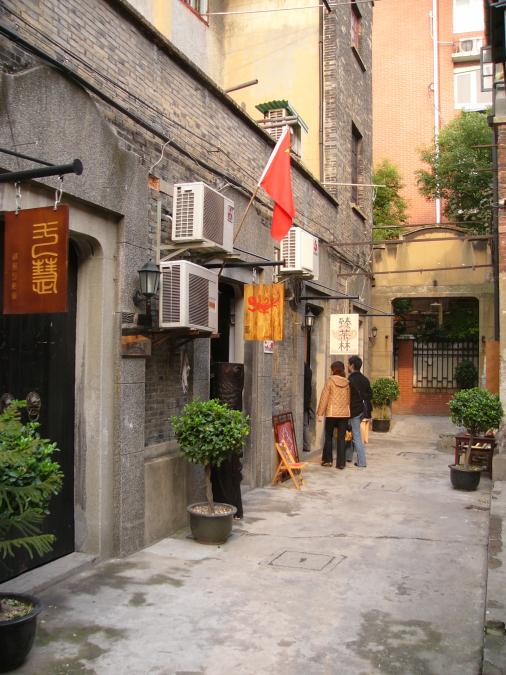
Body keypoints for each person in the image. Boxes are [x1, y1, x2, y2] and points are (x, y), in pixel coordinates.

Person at [317, 361, 350, 469]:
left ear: (333, 369)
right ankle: (341, 463)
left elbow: (324, 397)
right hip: (344, 414)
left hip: (331, 413)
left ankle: (328, 460)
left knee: (329, 436)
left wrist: (320, 413)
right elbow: (348, 399)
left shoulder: (330, 381)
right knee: (341, 438)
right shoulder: (347, 382)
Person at [346, 355, 373, 468]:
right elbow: (370, 395)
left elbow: (347, 397)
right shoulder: (365, 379)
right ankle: (348, 456)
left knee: (356, 435)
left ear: (352, 365)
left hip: (354, 411)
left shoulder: (350, 380)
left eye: (348, 364)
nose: (347, 366)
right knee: (351, 432)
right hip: (363, 410)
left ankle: (362, 462)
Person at [303, 361, 313, 452]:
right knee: (305, 424)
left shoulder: (304, 370)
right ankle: (307, 445)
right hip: (306, 401)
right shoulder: (308, 370)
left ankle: (306, 445)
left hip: (303, 401)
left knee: (304, 424)